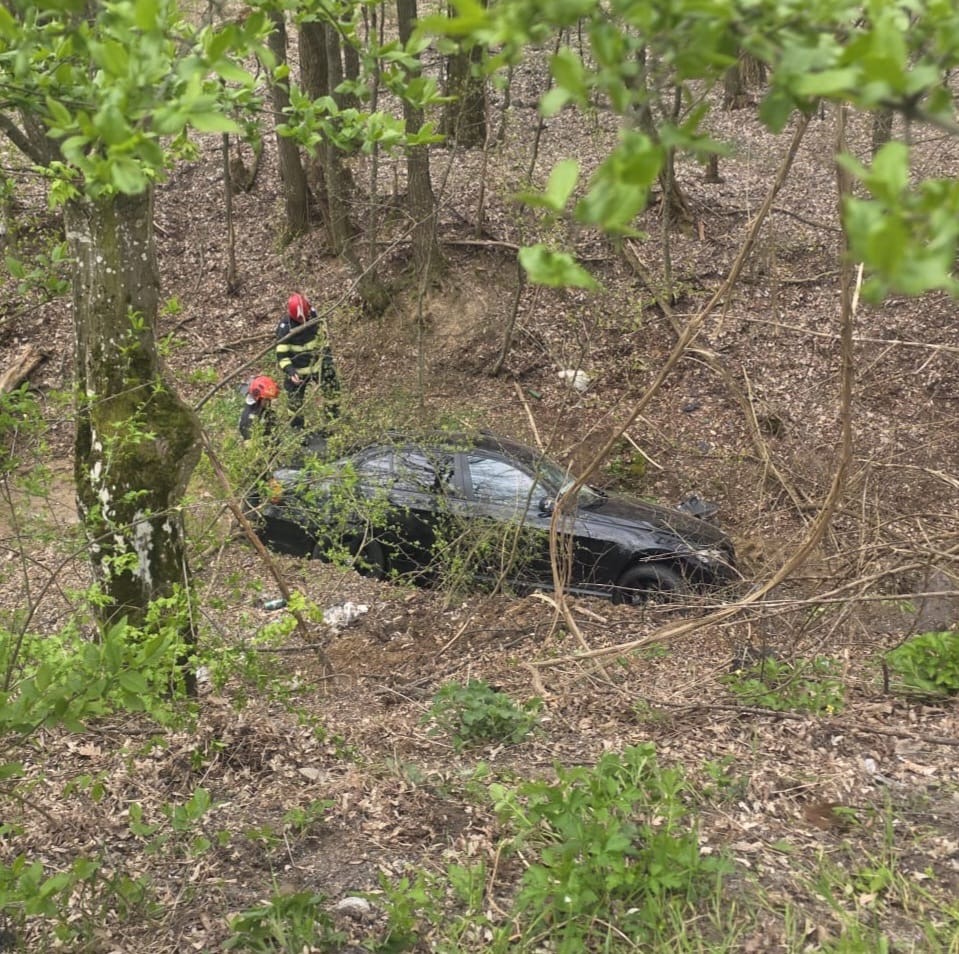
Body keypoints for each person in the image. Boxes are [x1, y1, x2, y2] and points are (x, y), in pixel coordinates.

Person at [275, 293, 340, 429]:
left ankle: (333, 423)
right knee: (295, 403)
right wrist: (290, 371)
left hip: (318, 364)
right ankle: (298, 431)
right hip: (298, 371)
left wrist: (327, 362)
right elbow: (282, 355)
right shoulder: (285, 329)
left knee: (332, 391)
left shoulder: (314, 316)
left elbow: (324, 341)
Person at [238, 374, 280, 440]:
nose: (269, 402)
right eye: (267, 399)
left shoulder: (265, 409)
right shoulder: (248, 418)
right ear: (259, 398)